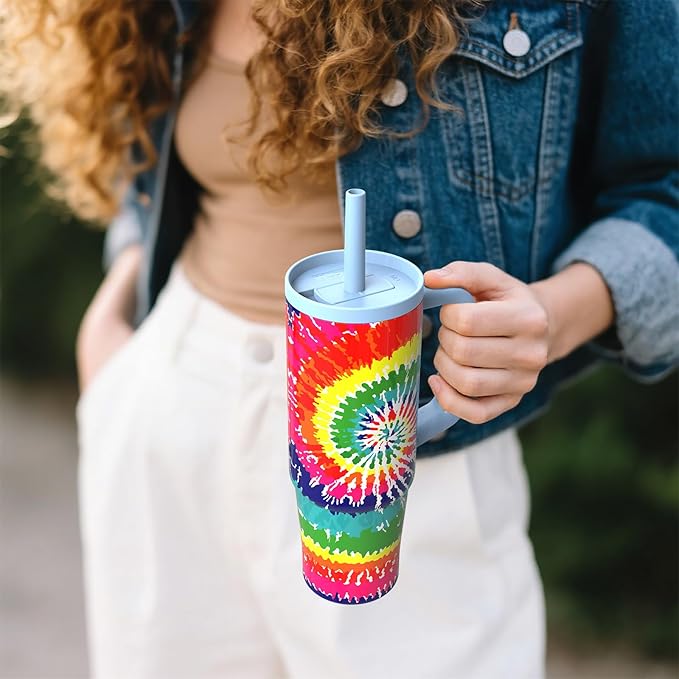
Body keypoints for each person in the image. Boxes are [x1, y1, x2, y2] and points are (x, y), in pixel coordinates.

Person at [3, 0, 678, 677]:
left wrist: (549, 316)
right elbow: (146, 160)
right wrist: (117, 311)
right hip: (171, 412)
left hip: (398, 442)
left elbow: (663, 190)